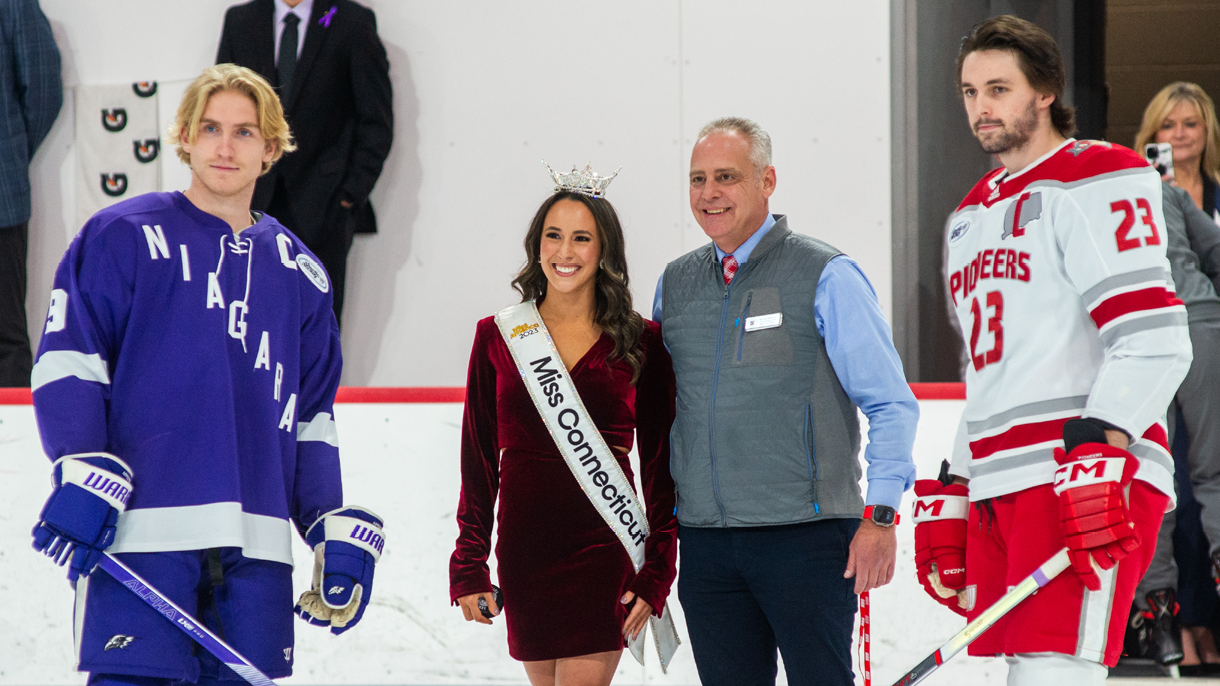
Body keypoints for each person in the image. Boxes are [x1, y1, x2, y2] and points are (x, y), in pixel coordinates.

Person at [28, 64, 384, 685]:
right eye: (210, 128)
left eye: (245, 133)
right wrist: (78, 462)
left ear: (270, 149)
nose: (225, 146)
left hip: (258, 551)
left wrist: (325, 522)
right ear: (185, 137)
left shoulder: (304, 277)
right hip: (140, 535)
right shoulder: (120, 236)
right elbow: (69, 360)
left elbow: (311, 419)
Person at [913, 15, 1193, 684]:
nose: (981, 107)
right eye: (969, 91)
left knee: (1053, 672)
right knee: (1018, 673)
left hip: (1080, 474)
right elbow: (988, 371)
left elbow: (1154, 333)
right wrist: (956, 482)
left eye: (999, 88)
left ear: (1044, 91)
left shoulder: (1099, 174)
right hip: (1001, 484)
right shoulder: (969, 215)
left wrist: (1106, 443)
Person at [652, 116, 919, 686]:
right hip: (706, 544)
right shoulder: (675, 285)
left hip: (808, 540)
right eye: (697, 180)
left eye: (726, 176)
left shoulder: (826, 273)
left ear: (767, 180)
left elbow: (890, 403)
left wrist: (882, 515)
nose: (709, 194)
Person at [449, 165, 678, 686]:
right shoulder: (498, 337)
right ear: (536, 244)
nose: (565, 252)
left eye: (582, 238)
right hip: (526, 552)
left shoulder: (641, 343)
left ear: (605, 250)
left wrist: (657, 571)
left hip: (604, 550)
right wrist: (468, 564)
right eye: (554, 235)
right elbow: (478, 460)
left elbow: (662, 470)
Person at [217, 0, 393, 328]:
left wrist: (349, 194)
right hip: (250, 203)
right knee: (247, 320)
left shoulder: (350, 21)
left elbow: (376, 120)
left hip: (325, 205)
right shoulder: (242, 20)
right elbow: (220, 106)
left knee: (317, 326)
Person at [1127, 180, 1220, 668]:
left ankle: (1159, 618)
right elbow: (1217, 250)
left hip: (1141, 330)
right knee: (1216, 476)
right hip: (1201, 320)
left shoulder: (1082, 190)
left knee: (1151, 478)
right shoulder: (1167, 189)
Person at [0, 0, 61, 386]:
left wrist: (10, 156)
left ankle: (12, 445)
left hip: (1, 206)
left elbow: (43, 91)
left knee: (5, 338)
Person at [1136, 82, 1220, 224]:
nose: (1179, 134)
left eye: (1190, 124)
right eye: (1167, 126)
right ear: (1153, 134)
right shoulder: (1136, 193)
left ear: (1207, 131)